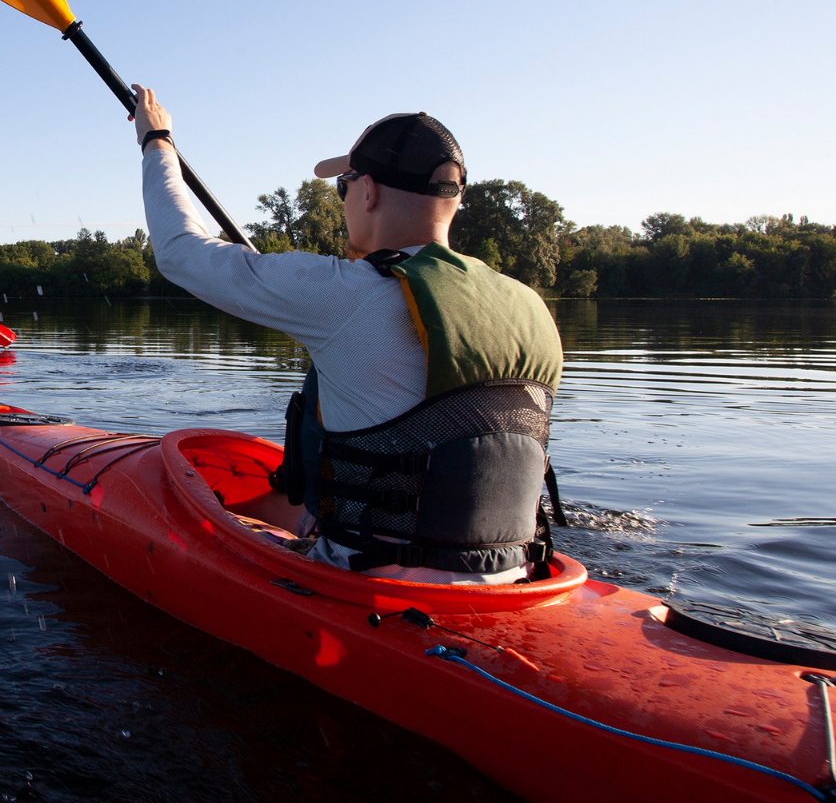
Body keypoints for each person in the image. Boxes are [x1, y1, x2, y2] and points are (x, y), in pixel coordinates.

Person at [132, 86, 564, 585]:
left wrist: (156, 140)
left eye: (344, 185)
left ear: (369, 190)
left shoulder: (349, 293)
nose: (345, 200)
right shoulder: (529, 305)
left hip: (371, 582)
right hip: (515, 576)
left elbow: (179, 250)